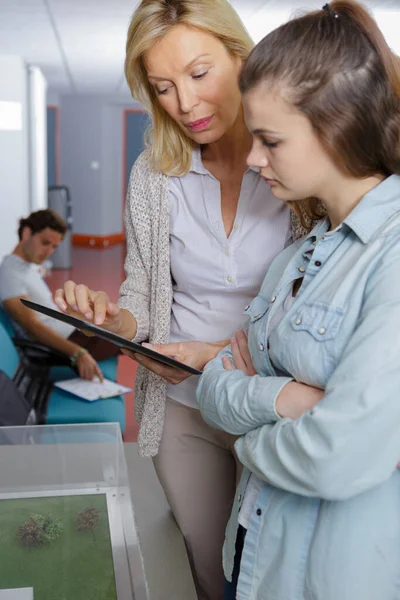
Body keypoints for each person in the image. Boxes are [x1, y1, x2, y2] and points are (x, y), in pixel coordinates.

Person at [53, 1, 320, 597]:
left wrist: (218, 352)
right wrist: (114, 319)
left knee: (273, 571)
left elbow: (315, 306)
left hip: (267, 404)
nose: (186, 104)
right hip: (184, 405)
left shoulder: (296, 161)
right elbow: (143, 294)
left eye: (200, 74)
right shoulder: (155, 173)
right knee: (207, 569)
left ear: (242, 56)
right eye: (164, 87)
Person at [196, 2, 400, 599]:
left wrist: (246, 436)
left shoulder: (390, 255)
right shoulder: (299, 256)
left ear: (337, 124)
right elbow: (214, 386)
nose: (254, 160)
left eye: (270, 140)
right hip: (253, 558)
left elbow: (339, 454)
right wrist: (289, 397)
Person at [0, 209, 119, 381]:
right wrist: (78, 353)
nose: (49, 252)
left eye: (54, 247)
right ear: (26, 233)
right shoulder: (10, 274)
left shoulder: (26, 267)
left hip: (72, 332)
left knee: (125, 323)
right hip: (61, 345)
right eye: (45, 242)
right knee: (135, 335)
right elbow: (32, 326)